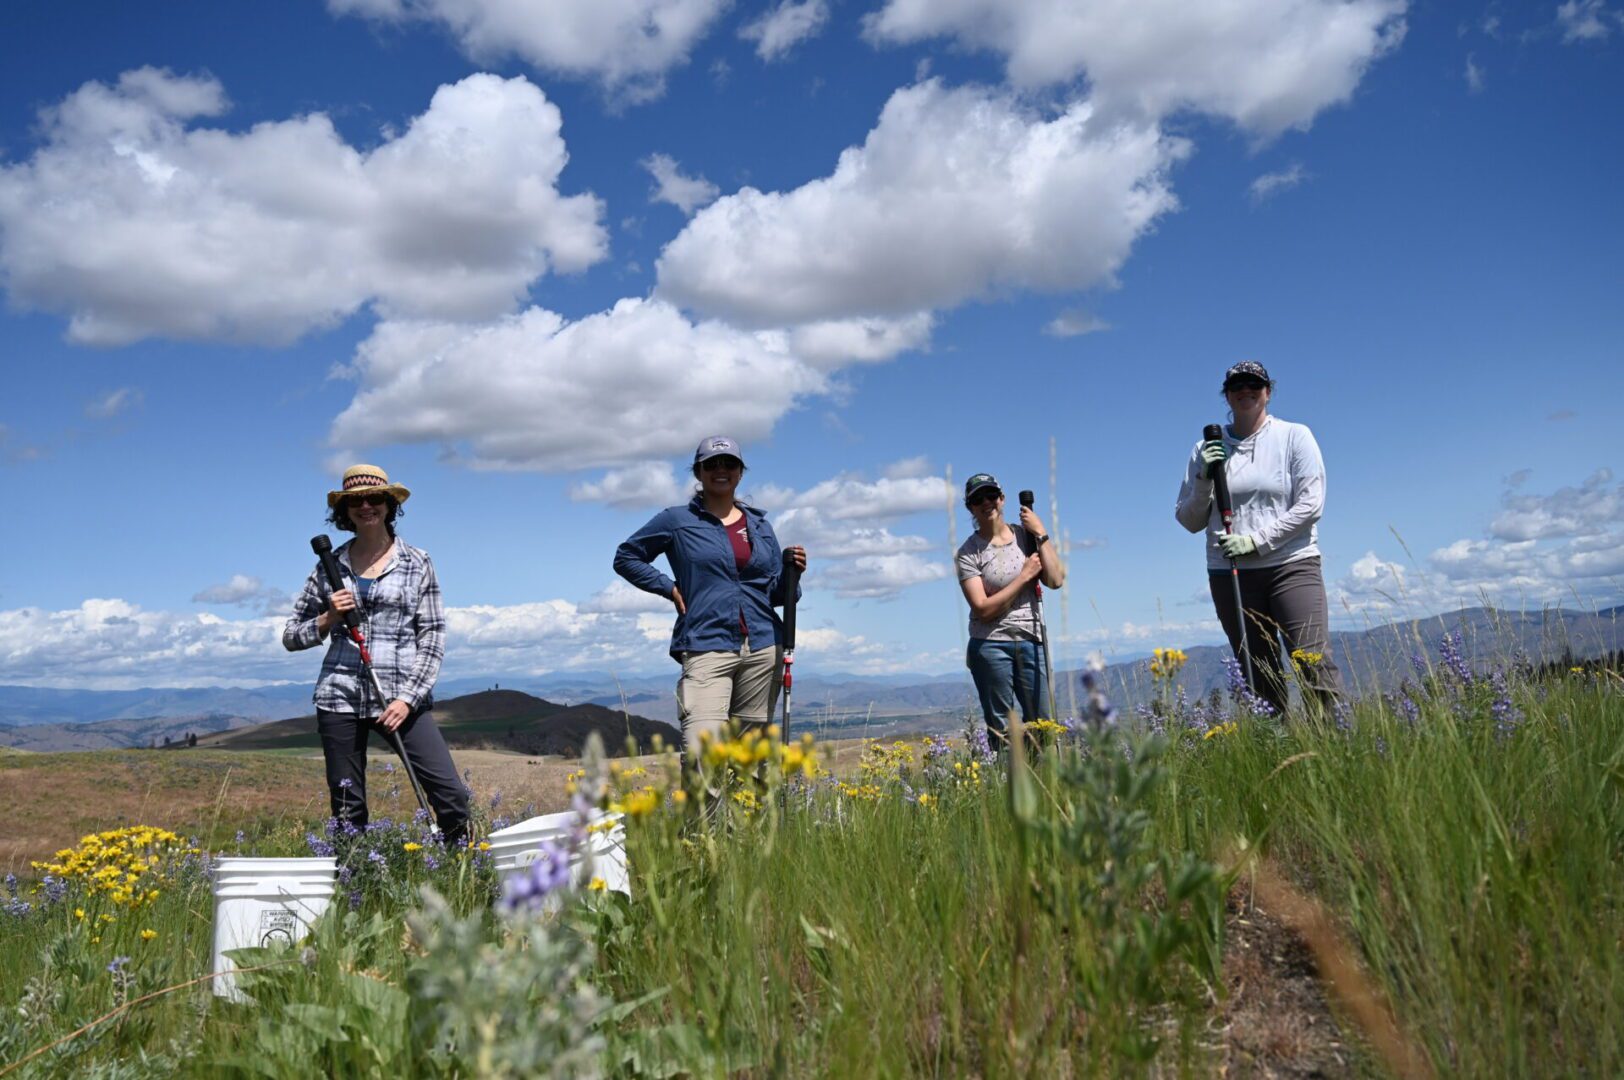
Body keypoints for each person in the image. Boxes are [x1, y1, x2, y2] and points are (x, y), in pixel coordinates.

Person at [283, 464, 470, 846]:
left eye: (373, 499)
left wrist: (408, 699)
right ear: (344, 511)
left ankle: (462, 871)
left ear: (388, 504)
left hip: (400, 698)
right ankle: (356, 888)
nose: (365, 506)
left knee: (451, 796)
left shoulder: (417, 562)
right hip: (339, 698)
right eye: (355, 501)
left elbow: (432, 635)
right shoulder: (328, 567)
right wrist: (328, 617)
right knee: (348, 809)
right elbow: (291, 636)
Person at [613, 436, 807, 755]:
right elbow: (626, 557)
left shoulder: (760, 526)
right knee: (703, 751)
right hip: (706, 642)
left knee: (751, 759)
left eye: (729, 463)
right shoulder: (676, 521)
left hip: (763, 648)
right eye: (711, 464)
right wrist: (669, 588)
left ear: (740, 472)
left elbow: (778, 593)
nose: (721, 470)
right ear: (698, 472)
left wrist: (791, 574)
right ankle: (706, 809)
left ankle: (749, 808)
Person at [1176, 361, 1343, 717]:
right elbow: (1189, 520)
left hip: (1291, 565)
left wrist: (1256, 541)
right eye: (1237, 385)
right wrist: (1205, 476)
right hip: (1230, 572)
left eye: (1255, 384)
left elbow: (1311, 505)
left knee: (1313, 660)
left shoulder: (1295, 436)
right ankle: (1278, 753)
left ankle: (1334, 743)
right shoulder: (1205, 447)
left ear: (1268, 391)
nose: (1245, 390)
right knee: (1258, 670)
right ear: (1227, 394)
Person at [955, 473, 1065, 742]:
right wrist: (1024, 577)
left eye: (991, 495)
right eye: (977, 499)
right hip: (990, 645)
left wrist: (1041, 533)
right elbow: (983, 608)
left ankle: (1042, 781)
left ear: (1002, 499)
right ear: (970, 507)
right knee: (1003, 732)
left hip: (1032, 639)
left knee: (1043, 726)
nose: (986, 502)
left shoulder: (1025, 537)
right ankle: (1009, 781)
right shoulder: (968, 553)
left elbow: (1055, 579)